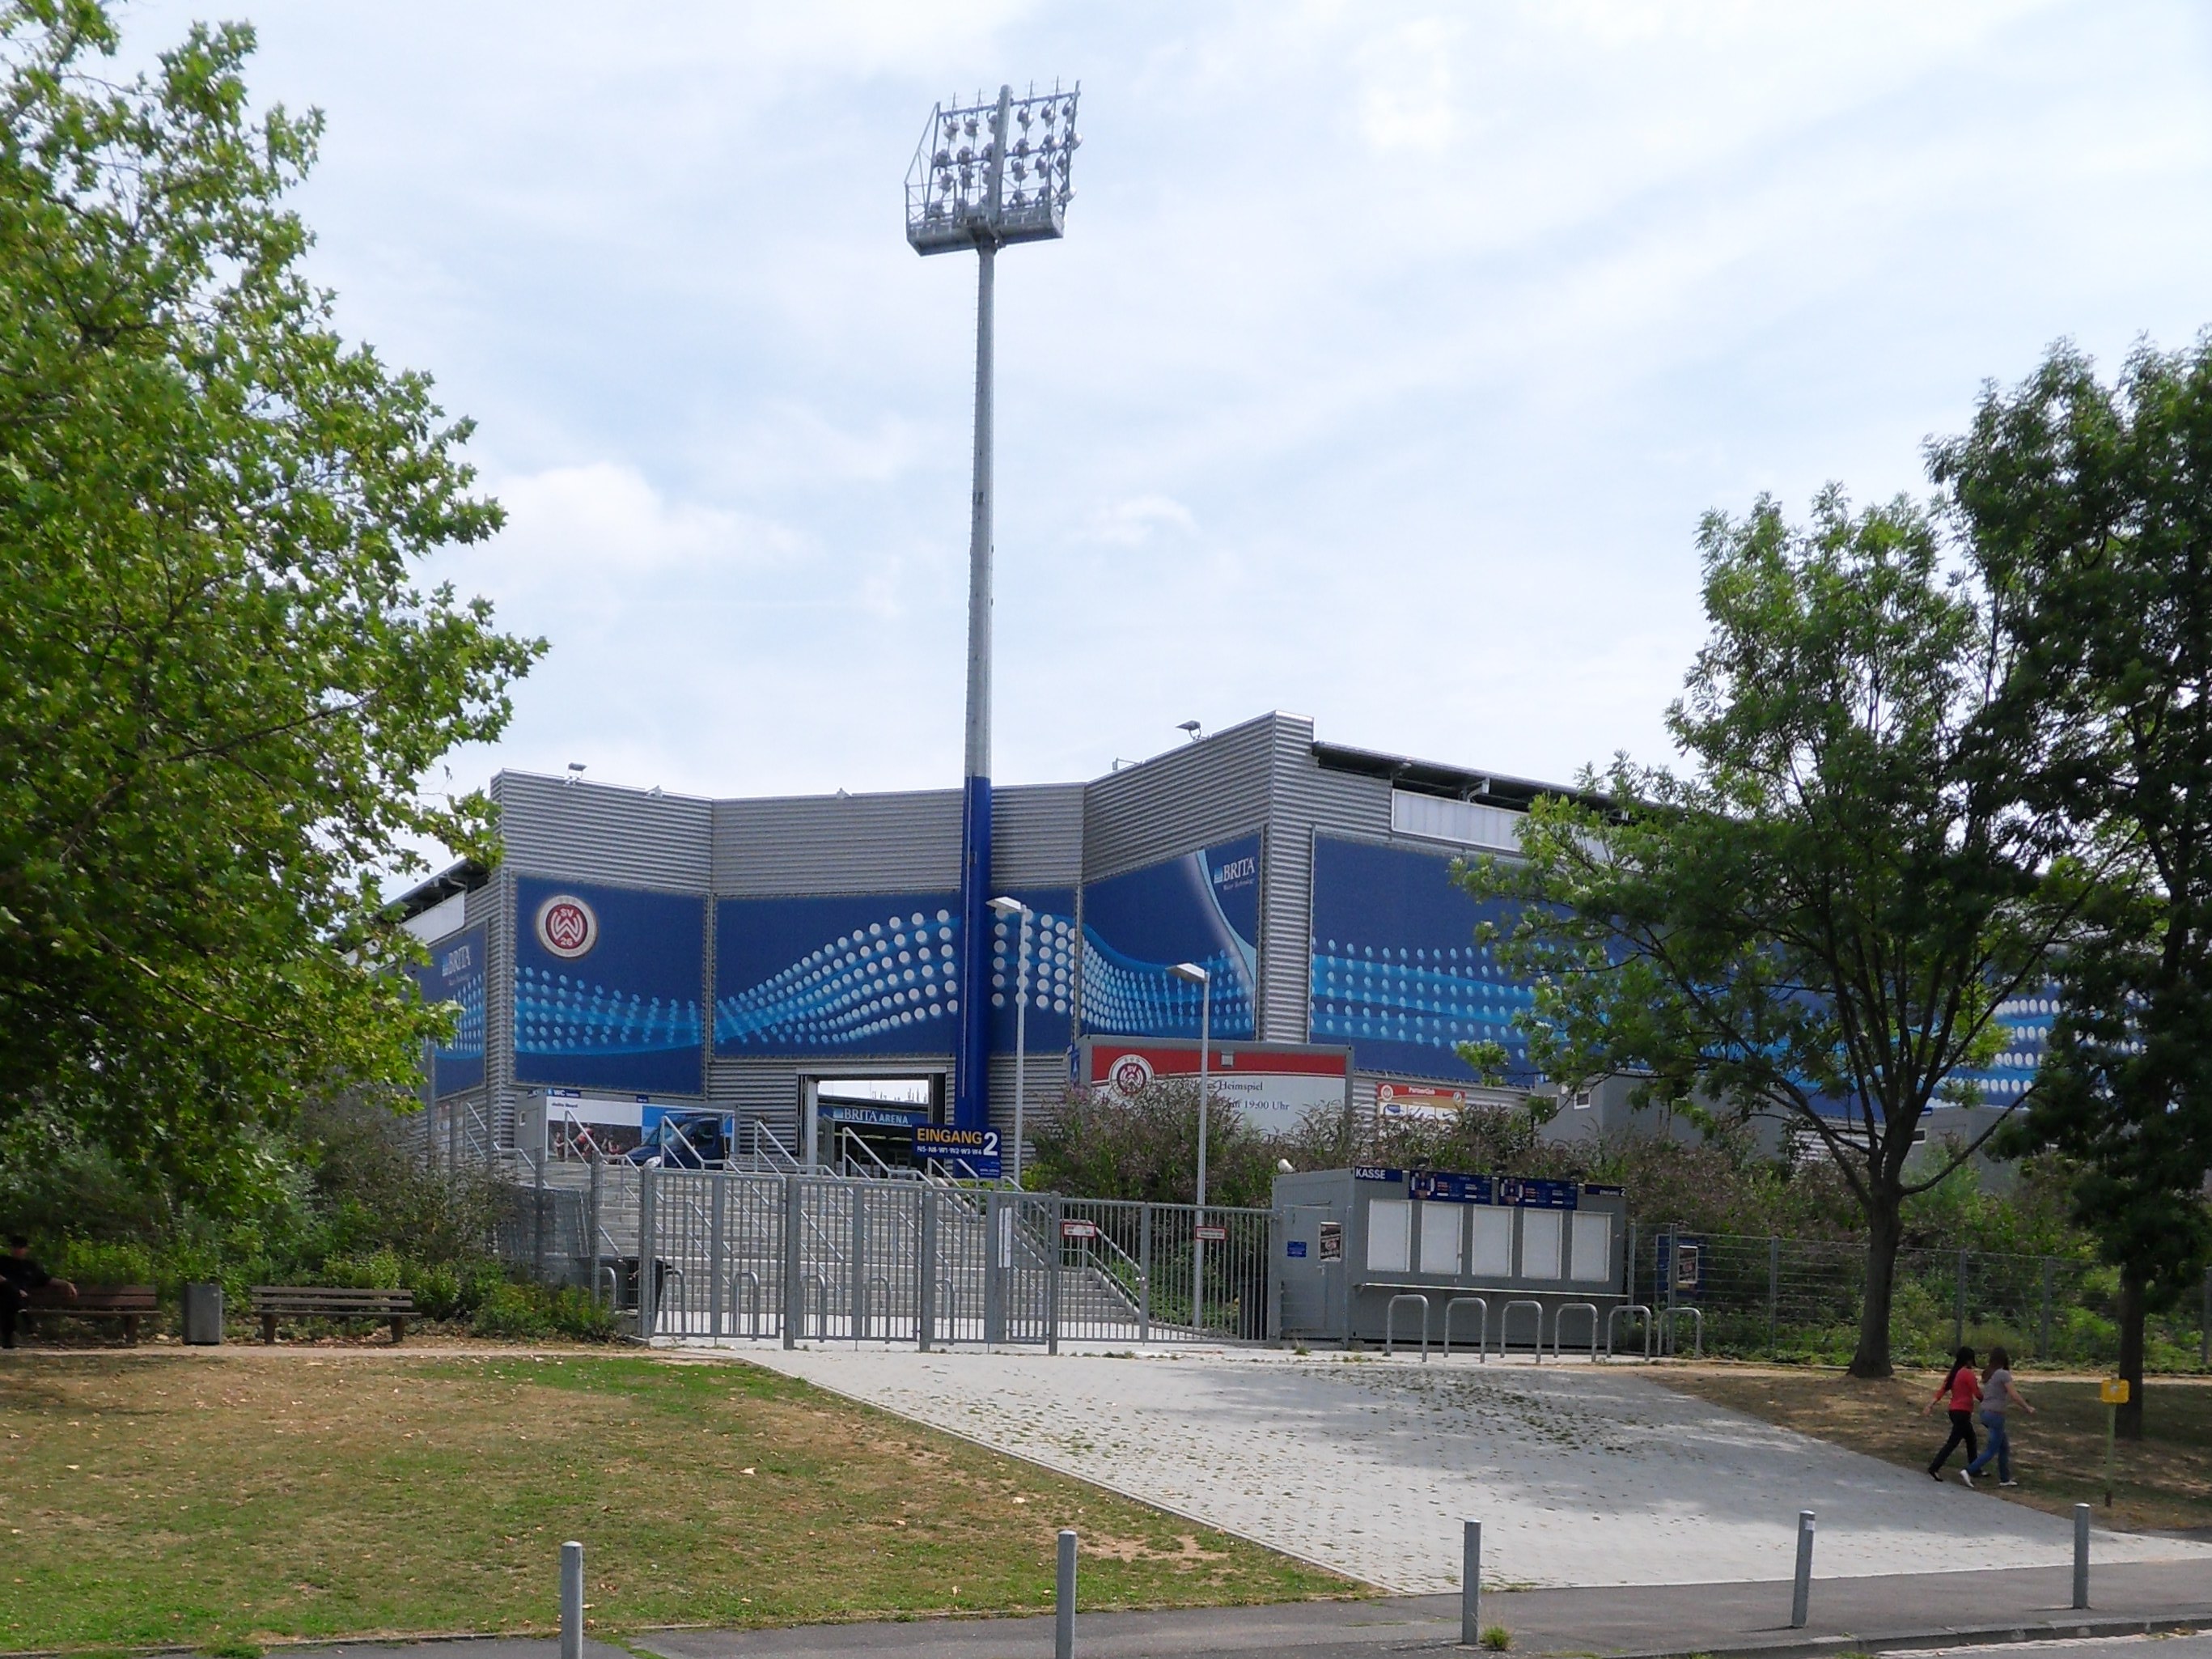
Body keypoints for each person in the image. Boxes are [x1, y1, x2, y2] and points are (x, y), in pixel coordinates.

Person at [1962, 1345, 2035, 1488]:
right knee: (1992, 1449)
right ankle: (1969, 1470)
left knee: (2004, 1447)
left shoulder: (1990, 1374)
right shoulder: (2003, 1374)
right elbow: (2013, 1394)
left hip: (1985, 1413)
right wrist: (2027, 1407)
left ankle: (2005, 1478)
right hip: (1995, 1415)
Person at [0, 1236, 74, 1350]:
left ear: (26, 1249)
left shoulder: (30, 1266)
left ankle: (10, 1337)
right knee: (8, 1292)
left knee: (10, 1303)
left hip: (19, 1300)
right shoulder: (3, 1261)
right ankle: (25, 1320)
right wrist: (12, 1286)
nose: (17, 1249)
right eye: (15, 1246)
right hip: (5, 1294)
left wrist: (67, 1284)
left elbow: (47, 1279)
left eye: (20, 1247)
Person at [1923, 1344, 1981, 1480]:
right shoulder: (1967, 1374)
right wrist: (1989, 1402)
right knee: (1953, 1442)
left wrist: (1930, 1405)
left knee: (1971, 1439)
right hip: (1963, 1412)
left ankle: (1975, 1468)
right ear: (1968, 1360)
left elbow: (1941, 1391)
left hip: (1954, 1411)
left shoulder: (1954, 1374)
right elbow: (1977, 1393)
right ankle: (1935, 1467)